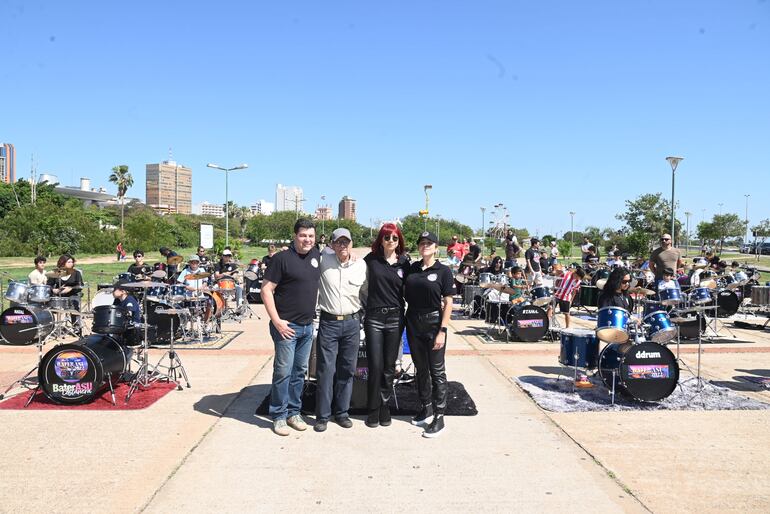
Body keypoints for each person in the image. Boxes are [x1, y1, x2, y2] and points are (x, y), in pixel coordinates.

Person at [260, 219, 322, 436]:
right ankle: (278, 415)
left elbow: (339, 253)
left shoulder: (316, 256)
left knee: (299, 373)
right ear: (295, 236)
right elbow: (266, 290)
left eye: (311, 236)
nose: (307, 240)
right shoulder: (281, 259)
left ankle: (294, 412)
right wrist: (277, 321)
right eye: (303, 235)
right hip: (286, 326)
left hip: (307, 326)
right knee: (283, 372)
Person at [314, 228, 367, 432]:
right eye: (338, 242)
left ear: (351, 243)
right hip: (329, 322)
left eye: (346, 242)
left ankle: (342, 413)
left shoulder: (361, 264)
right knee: (326, 371)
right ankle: (323, 416)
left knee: (347, 369)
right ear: (332, 244)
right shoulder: (323, 260)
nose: (343, 245)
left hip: (352, 323)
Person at [404, 231, 454, 438]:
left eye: (429, 243)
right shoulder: (412, 268)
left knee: (437, 371)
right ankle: (426, 406)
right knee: (420, 368)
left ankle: (439, 415)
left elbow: (448, 302)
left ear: (436, 247)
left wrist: (442, 330)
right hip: (413, 321)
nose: (425, 246)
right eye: (422, 243)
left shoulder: (443, 271)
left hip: (434, 322)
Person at [363, 223, 409, 428]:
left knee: (390, 367)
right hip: (373, 318)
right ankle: (373, 409)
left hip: (395, 318)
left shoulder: (405, 263)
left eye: (395, 238)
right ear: (380, 239)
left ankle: (385, 406)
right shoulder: (370, 261)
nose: (391, 241)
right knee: (375, 365)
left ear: (399, 241)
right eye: (387, 237)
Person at [47, 254, 85, 335]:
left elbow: (80, 286)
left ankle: (77, 327)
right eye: (69, 262)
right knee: (49, 302)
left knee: (73, 302)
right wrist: (54, 290)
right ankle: (53, 327)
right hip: (59, 294)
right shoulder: (55, 273)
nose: (71, 263)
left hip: (73, 293)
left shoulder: (76, 273)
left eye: (72, 262)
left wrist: (71, 288)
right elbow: (48, 285)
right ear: (63, 263)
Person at [112, 282, 142, 346]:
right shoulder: (117, 300)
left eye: (115, 289)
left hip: (132, 328)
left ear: (123, 291)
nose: (113, 291)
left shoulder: (130, 300)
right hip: (122, 326)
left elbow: (129, 314)